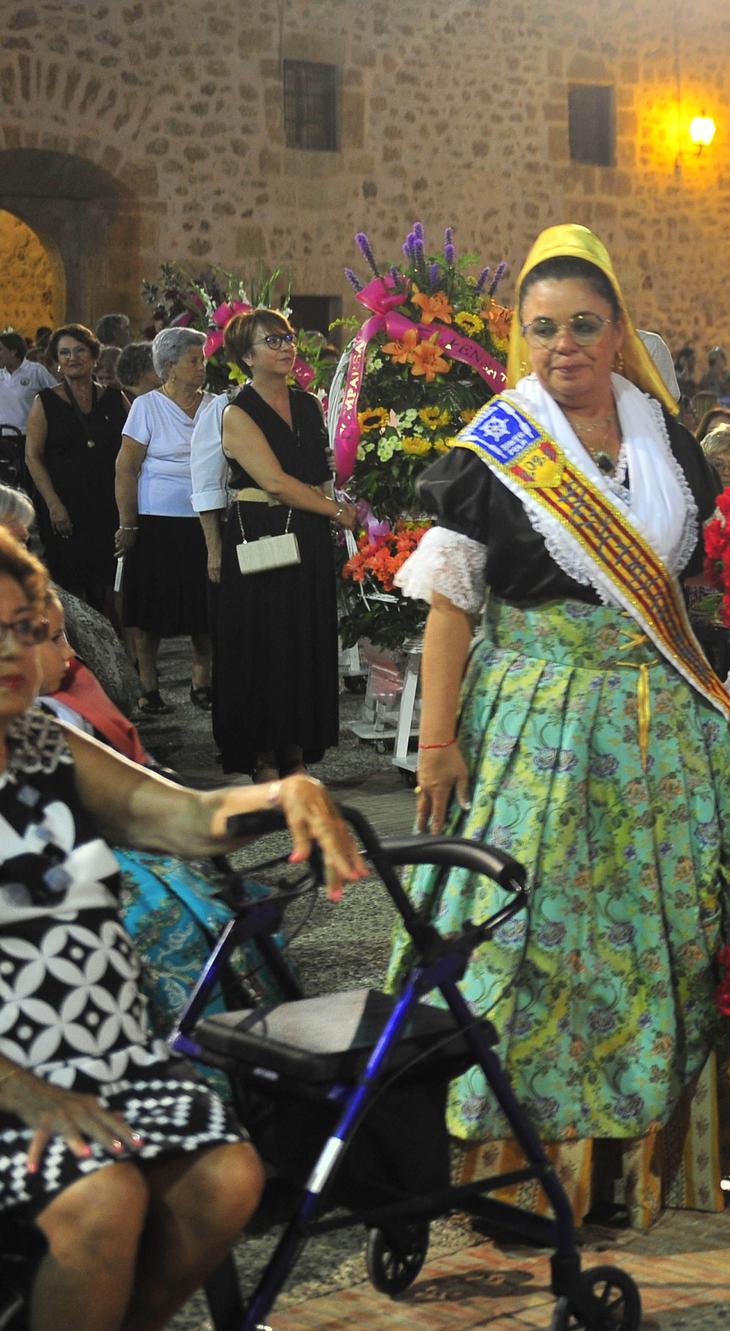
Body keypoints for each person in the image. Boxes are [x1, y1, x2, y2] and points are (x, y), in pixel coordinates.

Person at [390, 224, 730, 1223]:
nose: (561, 344)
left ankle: (639, 1161)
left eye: (581, 324)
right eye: (540, 329)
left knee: (664, 928)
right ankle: (520, 1167)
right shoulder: (496, 447)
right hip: (539, 719)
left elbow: (689, 586)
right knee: (532, 929)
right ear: (519, 339)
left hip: (661, 730)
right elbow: (450, 604)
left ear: (617, 329)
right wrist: (436, 744)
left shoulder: (668, 440)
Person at [0, 527, 364, 1330]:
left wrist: (284, 795)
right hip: (12, 1083)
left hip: (100, 1059)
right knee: (102, 1194)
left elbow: (181, 815)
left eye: (25, 627)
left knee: (226, 1178)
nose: (14, 650)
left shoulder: (42, 744)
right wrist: (22, 1089)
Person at [212, 309, 354, 781]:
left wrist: (337, 482)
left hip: (308, 531)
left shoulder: (309, 404)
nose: (285, 347)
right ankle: (261, 754)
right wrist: (335, 511)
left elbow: (319, 472)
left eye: (287, 337)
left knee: (303, 639)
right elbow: (273, 480)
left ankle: (295, 749)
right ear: (247, 356)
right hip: (261, 530)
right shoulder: (237, 411)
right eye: (272, 341)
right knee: (262, 641)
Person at [113, 326, 213, 717]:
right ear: (169, 366)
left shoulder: (215, 405)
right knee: (150, 609)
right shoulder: (147, 407)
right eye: (194, 360)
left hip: (203, 519)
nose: (202, 366)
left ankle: (201, 679)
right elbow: (126, 468)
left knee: (203, 608)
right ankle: (148, 686)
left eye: (203, 359)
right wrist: (128, 522)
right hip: (156, 521)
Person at [25, 326, 127, 619]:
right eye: (64, 353)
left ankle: (112, 649)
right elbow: (33, 457)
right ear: (56, 360)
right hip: (65, 506)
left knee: (108, 581)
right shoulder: (44, 402)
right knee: (71, 582)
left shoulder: (115, 399)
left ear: (94, 355)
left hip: (108, 505)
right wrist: (54, 504)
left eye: (80, 350)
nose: (72, 358)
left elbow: (135, 448)